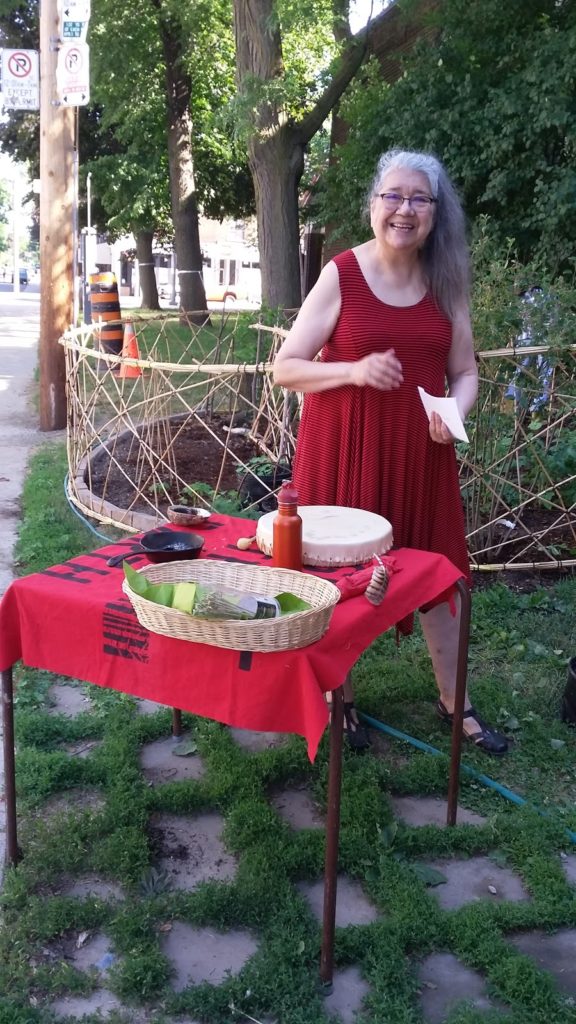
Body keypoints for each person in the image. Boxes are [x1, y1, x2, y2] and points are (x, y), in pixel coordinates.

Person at [273, 148, 509, 756]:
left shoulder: (447, 279)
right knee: (338, 576)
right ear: (373, 204)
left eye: (419, 199)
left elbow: (467, 372)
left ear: (437, 212)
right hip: (345, 446)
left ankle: (456, 702)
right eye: (393, 196)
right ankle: (338, 695)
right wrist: (353, 370)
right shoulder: (342, 273)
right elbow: (286, 368)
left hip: (422, 453)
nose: (404, 210)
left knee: (438, 573)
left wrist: (455, 413)